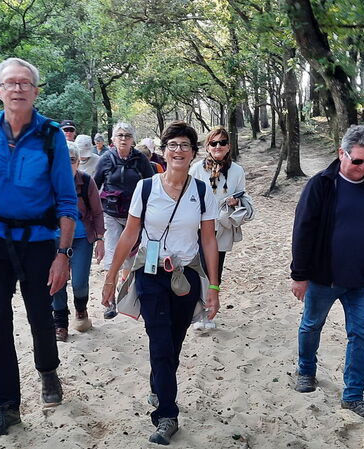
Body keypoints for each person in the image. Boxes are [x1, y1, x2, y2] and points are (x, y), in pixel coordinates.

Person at [0, 57, 78, 441]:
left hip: (39, 240)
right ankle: (6, 407)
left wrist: (63, 254)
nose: (18, 88)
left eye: (25, 83)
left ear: (36, 91)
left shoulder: (50, 136)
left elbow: (66, 200)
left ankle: (48, 370)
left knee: (41, 315)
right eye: (11, 83)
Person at [101, 121, 220, 445]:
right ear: (163, 151)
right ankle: (167, 415)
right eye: (173, 145)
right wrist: (111, 278)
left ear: (193, 153)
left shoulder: (202, 191)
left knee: (174, 343)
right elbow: (129, 234)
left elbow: (209, 240)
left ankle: (159, 384)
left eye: (185, 145)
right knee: (161, 342)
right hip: (150, 274)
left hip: (187, 276)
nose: (178, 151)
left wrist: (213, 287)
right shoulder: (146, 188)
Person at [289, 124, 364, 423]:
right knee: (311, 325)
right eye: (357, 160)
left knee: (361, 335)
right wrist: (299, 275)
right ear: (341, 154)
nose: (363, 167)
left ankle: (353, 396)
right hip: (324, 277)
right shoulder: (321, 185)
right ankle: (306, 370)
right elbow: (302, 231)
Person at [93, 122, 155, 317]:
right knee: (112, 256)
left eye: (127, 136)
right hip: (111, 214)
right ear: (113, 138)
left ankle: (125, 292)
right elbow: (94, 186)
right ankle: (109, 301)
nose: (123, 139)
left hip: (135, 217)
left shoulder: (140, 160)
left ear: (133, 140)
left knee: (131, 259)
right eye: (120, 135)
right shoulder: (105, 159)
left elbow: (152, 185)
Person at [189, 126, 248, 330]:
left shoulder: (237, 171)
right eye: (213, 143)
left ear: (228, 146)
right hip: (198, 227)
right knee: (198, 268)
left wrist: (236, 202)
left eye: (222, 143)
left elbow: (242, 194)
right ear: (207, 146)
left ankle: (208, 312)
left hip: (221, 227)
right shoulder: (197, 169)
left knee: (215, 270)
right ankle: (197, 312)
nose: (218, 146)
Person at [52, 143, 106, 341]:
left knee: (79, 282)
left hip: (82, 238)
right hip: (54, 239)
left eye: (72, 160)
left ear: (78, 162)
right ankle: (60, 323)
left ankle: (81, 309)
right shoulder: (47, 182)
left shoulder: (86, 181)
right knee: (56, 281)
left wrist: (100, 239)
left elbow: (98, 212)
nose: (67, 165)